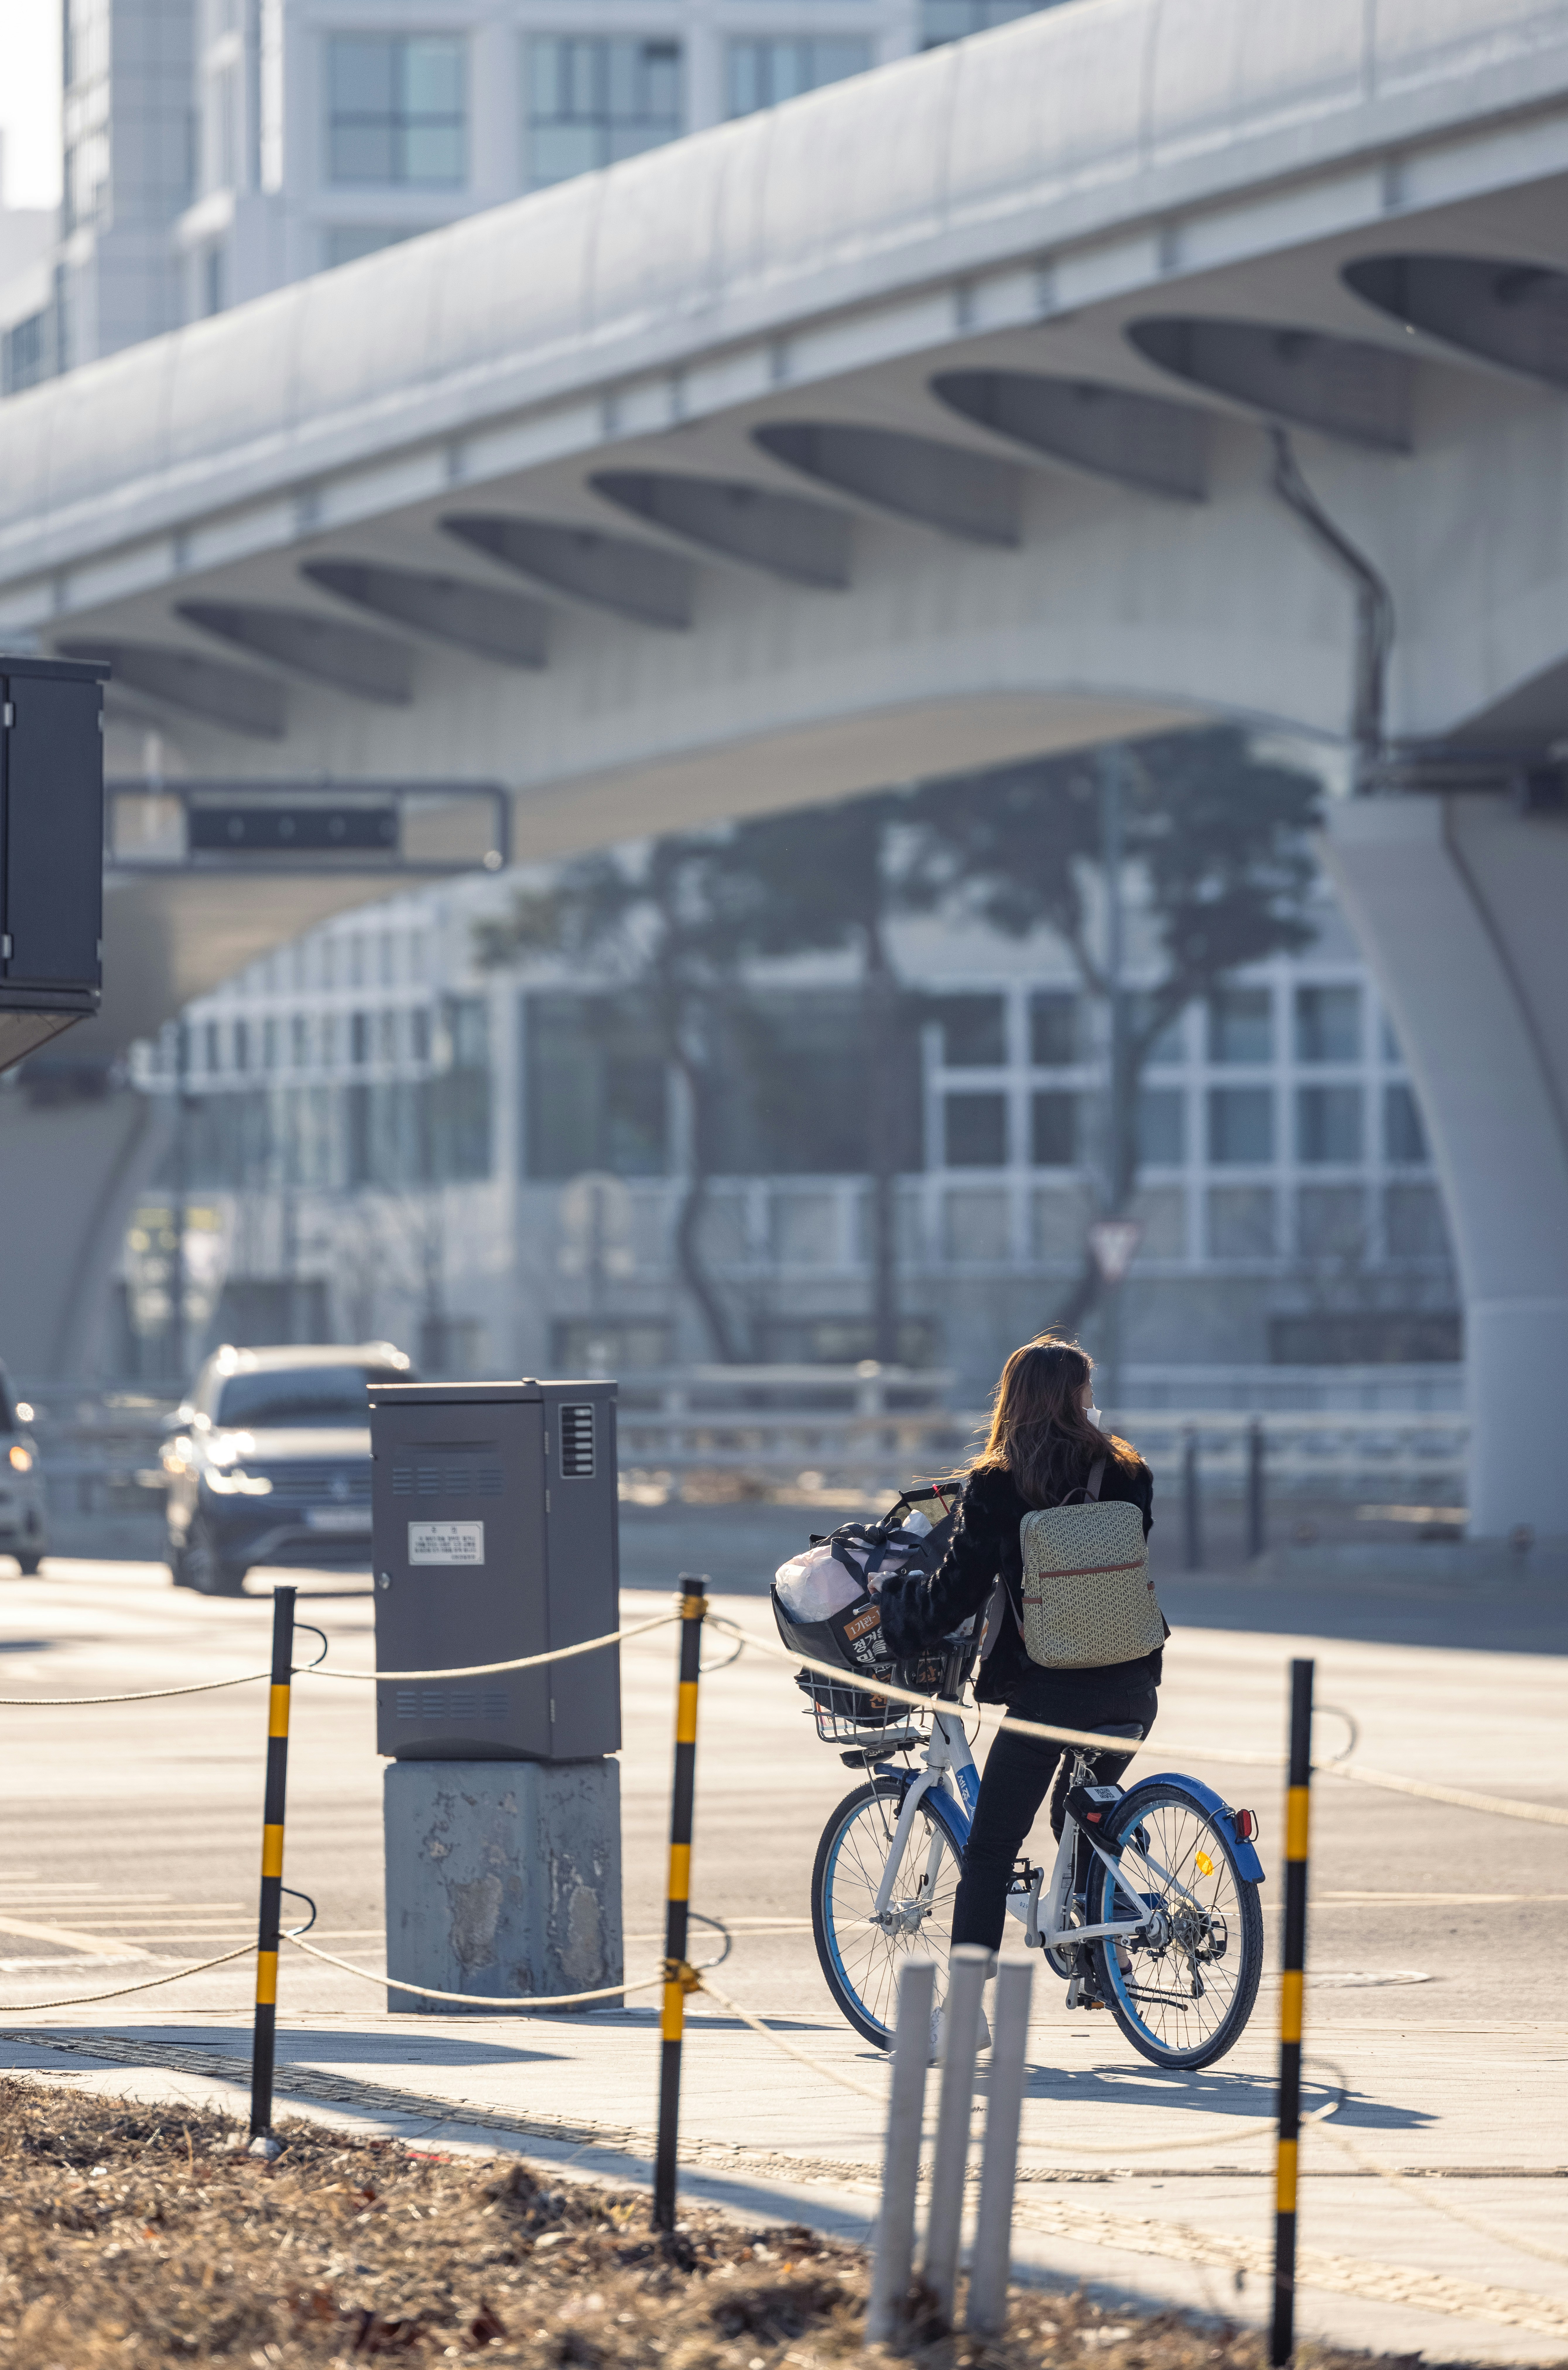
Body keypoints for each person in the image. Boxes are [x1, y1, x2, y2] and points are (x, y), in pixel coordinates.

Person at [877, 1330, 1160, 1998]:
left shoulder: (998, 1484)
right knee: (1079, 1816)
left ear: (1013, 1401)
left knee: (988, 1853)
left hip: (1051, 1693)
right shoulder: (1129, 1475)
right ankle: (1103, 1954)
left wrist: (899, 1608)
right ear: (1080, 1397)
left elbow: (953, 1598)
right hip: (1132, 1682)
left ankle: (966, 2011)